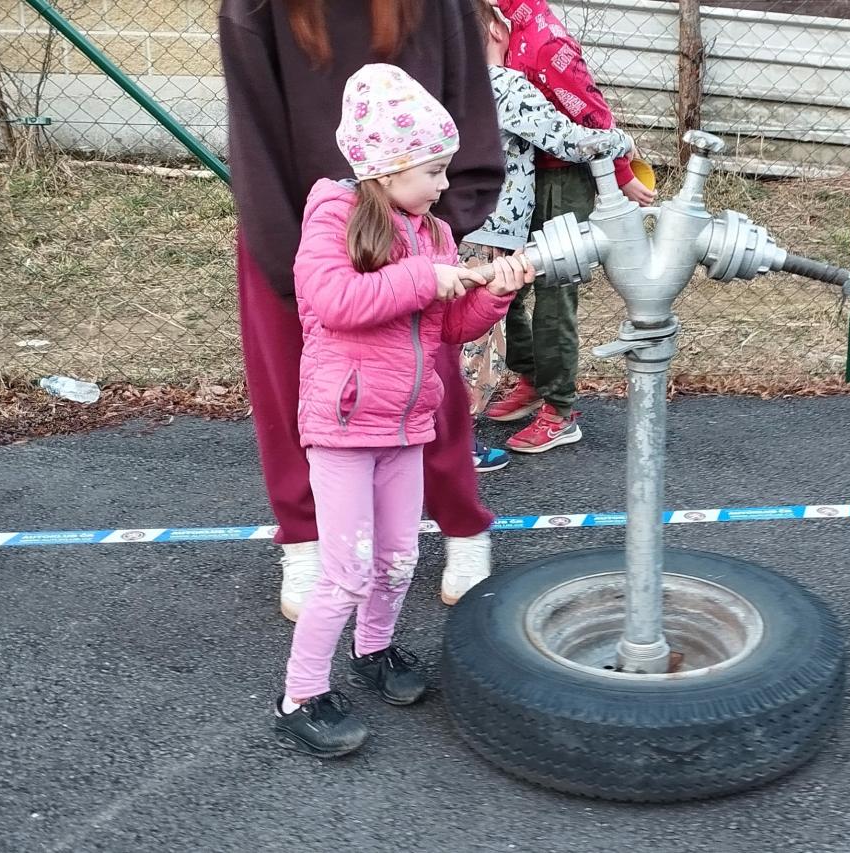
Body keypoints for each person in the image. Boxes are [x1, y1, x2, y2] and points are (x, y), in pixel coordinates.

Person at [272, 63, 533, 757]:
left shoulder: (435, 233)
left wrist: (494, 292)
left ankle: (374, 648)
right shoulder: (333, 215)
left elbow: (449, 329)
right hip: (344, 426)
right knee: (347, 570)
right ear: (386, 170)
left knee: (396, 558)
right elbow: (334, 301)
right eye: (434, 171)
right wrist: (423, 277)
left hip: (407, 424)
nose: (445, 185)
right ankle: (300, 695)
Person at [218, 0, 507, 616]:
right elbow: (253, 137)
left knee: (425, 380)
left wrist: (435, 230)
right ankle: (306, 541)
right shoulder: (255, 7)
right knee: (296, 392)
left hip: (410, 222)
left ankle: (462, 525)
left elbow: (470, 108)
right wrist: (295, 266)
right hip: (293, 233)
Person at [460, 0, 635, 466]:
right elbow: (567, 137)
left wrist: (617, 169)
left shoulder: (456, 79)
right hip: (495, 228)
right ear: (495, 31)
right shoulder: (503, 82)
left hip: (468, 221)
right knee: (479, 337)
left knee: (479, 317)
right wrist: (624, 143)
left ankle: (549, 402)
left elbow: (582, 111)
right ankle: (456, 439)